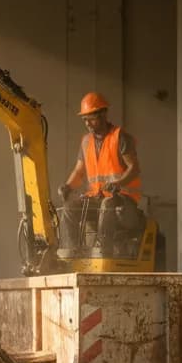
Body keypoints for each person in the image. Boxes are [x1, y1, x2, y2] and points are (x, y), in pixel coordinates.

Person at [57, 92, 143, 256]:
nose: (87, 123)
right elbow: (79, 171)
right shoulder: (86, 141)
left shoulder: (119, 137)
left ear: (103, 114)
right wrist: (67, 186)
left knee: (107, 205)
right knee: (69, 208)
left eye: (91, 119)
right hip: (97, 198)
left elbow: (134, 168)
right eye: (85, 120)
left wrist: (117, 184)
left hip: (123, 201)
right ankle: (72, 253)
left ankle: (102, 251)